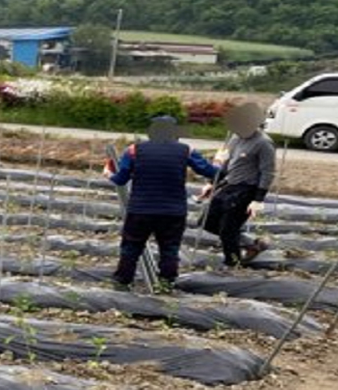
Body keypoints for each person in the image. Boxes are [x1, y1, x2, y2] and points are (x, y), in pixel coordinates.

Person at [105, 116, 218, 292]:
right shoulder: (185, 150)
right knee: (169, 249)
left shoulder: (134, 150)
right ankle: (166, 283)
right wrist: (224, 165)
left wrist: (108, 173)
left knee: (131, 247)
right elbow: (209, 171)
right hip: (173, 211)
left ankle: (122, 282)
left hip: (140, 209)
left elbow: (121, 180)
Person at [200, 102, 277, 267]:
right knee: (206, 221)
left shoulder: (264, 143)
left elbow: (268, 172)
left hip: (247, 190)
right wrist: (212, 183)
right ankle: (252, 244)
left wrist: (258, 199)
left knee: (228, 230)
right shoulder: (235, 138)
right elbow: (227, 164)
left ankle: (232, 263)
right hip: (229, 186)